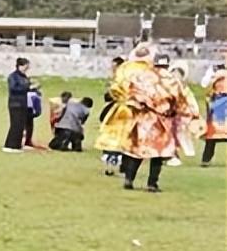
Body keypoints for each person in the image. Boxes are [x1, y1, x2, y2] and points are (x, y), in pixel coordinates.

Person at [113, 49, 196, 192]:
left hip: (144, 119)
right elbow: (181, 101)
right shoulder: (173, 80)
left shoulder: (141, 77)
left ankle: (129, 180)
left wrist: (139, 108)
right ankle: (152, 184)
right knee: (158, 154)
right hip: (162, 121)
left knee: (137, 152)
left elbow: (131, 95)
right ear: (167, 64)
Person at [96, 56, 128, 175]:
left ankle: (116, 164)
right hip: (115, 109)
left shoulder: (123, 79)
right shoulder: (117, 79)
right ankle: (110, 165)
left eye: (114, 67)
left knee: (118, 136)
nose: (112, 69)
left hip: (120, 110)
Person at [2, 58, 34, 153]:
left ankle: (18, 144)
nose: (26, 69)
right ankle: (10, 145)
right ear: (20, 66)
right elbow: (13, 88)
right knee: (15, 124)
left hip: (23, 103)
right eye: (25, 67)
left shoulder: (24, 77)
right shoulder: (13, 76)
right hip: (15, 103)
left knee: (21, 125)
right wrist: (27, 87)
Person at [200, 59, 227, 165]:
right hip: (220, 101)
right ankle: (206, 159)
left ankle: (206, 159)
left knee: (213, 134)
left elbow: (205, 85)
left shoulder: (217, 74)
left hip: (218, 102)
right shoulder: (220, 73)